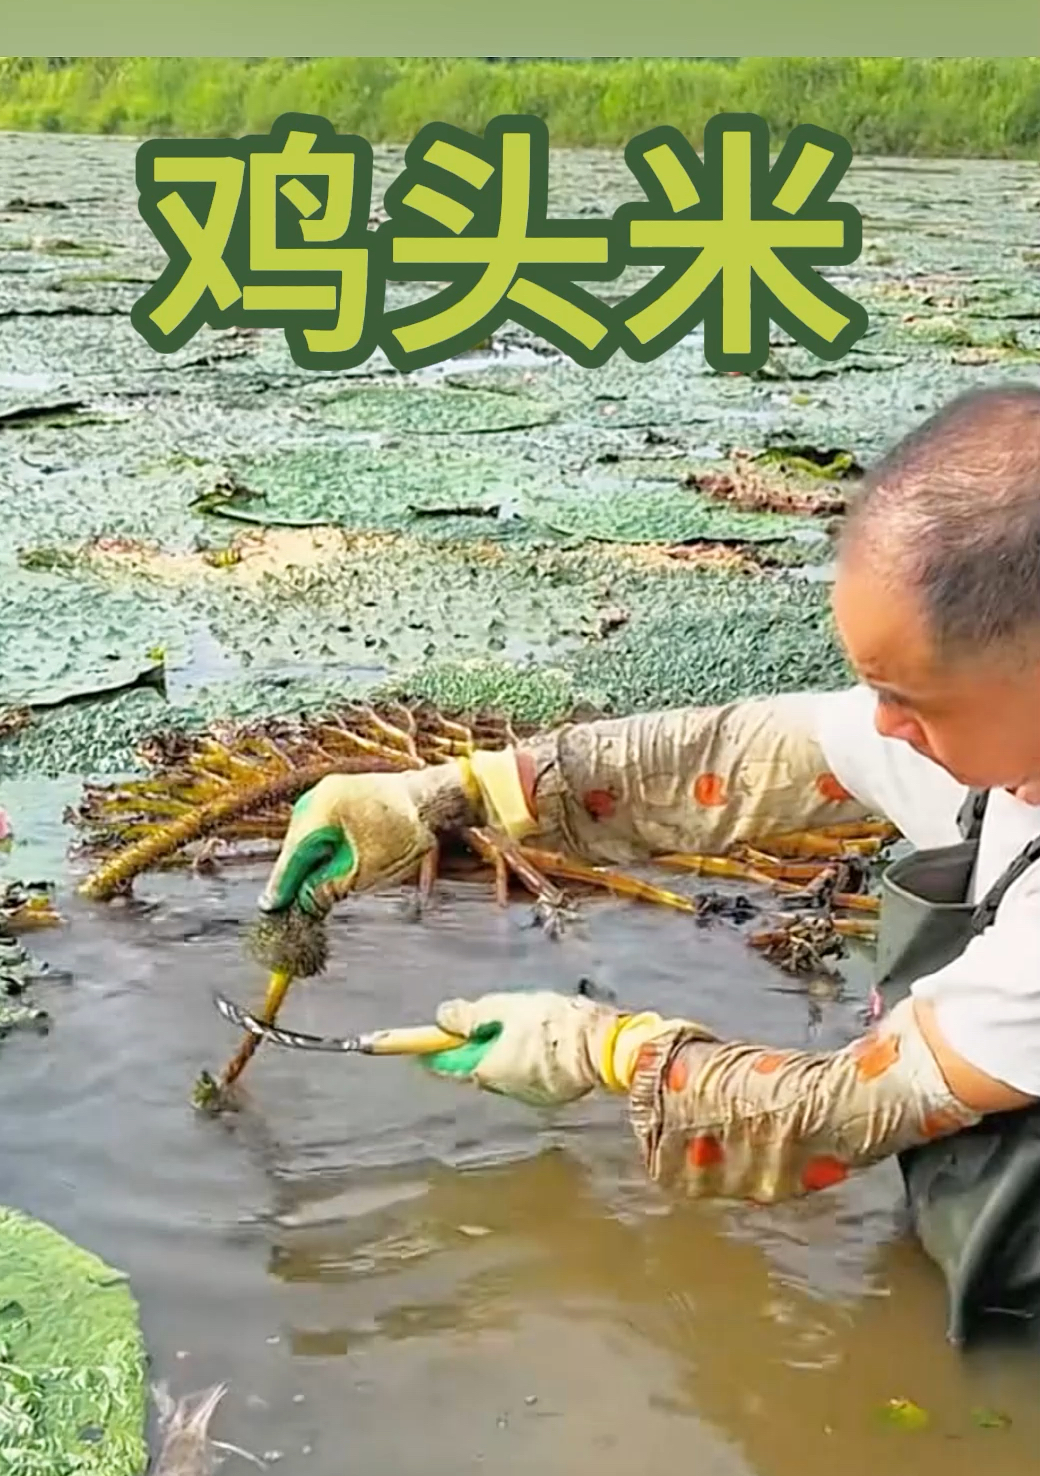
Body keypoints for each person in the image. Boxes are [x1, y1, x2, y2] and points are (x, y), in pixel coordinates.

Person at [260, 386, 1040, 1343]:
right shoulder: (1001, 737)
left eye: (905, 695)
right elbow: (752, 756)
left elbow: (832, 1117)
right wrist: (451, 796)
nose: (881, 723)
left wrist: (607, 1051)